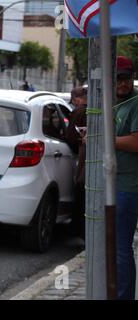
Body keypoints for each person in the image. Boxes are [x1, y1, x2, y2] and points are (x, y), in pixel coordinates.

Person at [113, 56, 138, 300]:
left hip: (128, 187)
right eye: (118, 78)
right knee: (115, 248)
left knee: (120, 249)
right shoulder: (116, 104)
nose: (123, 83)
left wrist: (104, 140)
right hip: (114, 185)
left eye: (127, 78)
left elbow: (136, 141)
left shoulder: (135, 103)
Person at [65, 87, 88, 239]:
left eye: (74, 101)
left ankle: (79, 231)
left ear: (77, 99)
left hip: (84, 155)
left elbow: (71, 137)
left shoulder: (79, 111)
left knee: (81, 189)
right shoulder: (92, 110)